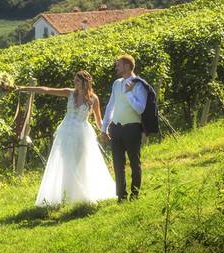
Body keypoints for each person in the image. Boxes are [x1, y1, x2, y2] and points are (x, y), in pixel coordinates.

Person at [17, 70, 117, 207]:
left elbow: (99, 121)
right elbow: (45, 90)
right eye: (74, 80)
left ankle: (82, 196)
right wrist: (22, 88)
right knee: (66, 163)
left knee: (79, 163)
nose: (74, 82)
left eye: (77, 80)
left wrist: (105, 131)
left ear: (84, 82)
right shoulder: (69, 93)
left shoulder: (93, 99)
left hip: (82, 134)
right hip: (65, 133)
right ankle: (67, 196)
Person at [100, 54, 148, 202]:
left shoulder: (139, 84)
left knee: (134, 162)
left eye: (119, 65)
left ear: (127, 66)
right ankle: (121, 196)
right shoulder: (116, 84)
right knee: (118, 164)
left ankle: (134, 195)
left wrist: (129, 94)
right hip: (117, 128)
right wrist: (104, 127)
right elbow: (110, 105)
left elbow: (140, 108)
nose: (116, 67)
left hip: (132, 128)